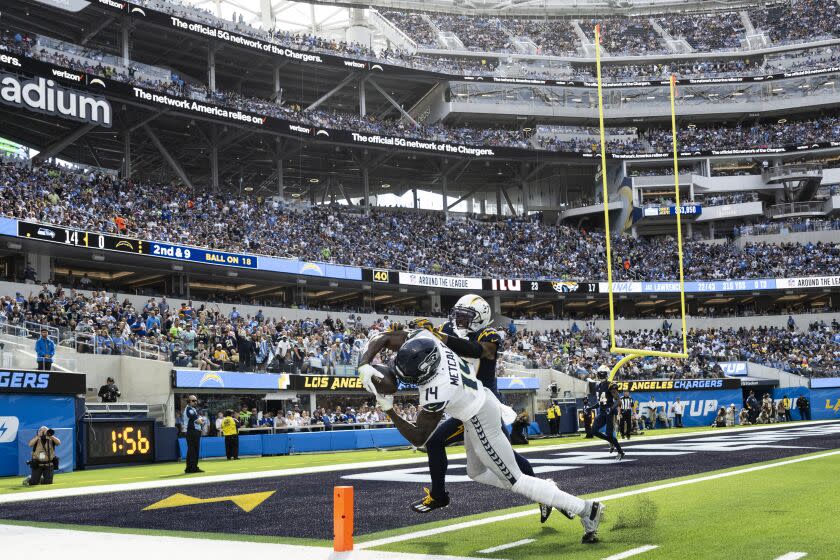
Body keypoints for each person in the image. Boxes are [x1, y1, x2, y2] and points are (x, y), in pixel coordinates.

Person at [362, 332, 605, 544]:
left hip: (480, 419)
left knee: (516, 481)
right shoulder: (426, 340)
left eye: (413, 378)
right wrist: (364, 363)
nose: (410, 382)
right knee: (475, 472)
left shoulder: (439, 387)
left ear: (426, 370)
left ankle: (586, 509)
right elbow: (383, 337)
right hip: (479, 404)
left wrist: (388, 409)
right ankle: (546, 490)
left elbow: (419, 438)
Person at [358, 295, 553, 522]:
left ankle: (545, 494)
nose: (459, 320)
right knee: (436, 442)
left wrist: (439, 335)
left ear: (481, 319)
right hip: (463, 404)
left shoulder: (488, 335)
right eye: (458, 315)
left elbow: (480, 351)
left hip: (483, 403)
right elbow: (427, 342)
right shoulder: (449, 328)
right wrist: (407, 331)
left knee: (507, 457)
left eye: (465, 316)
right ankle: (439, 495)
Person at [589, 366, 624, 460]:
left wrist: (611, 408)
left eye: (601, 373)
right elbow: (601, 402)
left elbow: (618, 401)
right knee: (594, 431)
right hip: (602, 412)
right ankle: (611, 442)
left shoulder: (610, 385)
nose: (599, 375)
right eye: (599, 373)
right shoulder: (599, 385)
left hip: (610, 412)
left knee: (609, 433)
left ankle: (620, 452)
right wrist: (590, 408)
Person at [183, 395, 204, 474]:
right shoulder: (190, 410)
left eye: (196, 400)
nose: (195, 402)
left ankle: (189, 468)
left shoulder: (192, 409)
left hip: (193, 431)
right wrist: (201, 420)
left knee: (192, 450)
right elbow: (199, 421)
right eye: (193, 400)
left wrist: (200, 420)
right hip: (192, 431)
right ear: (189, 401)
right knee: (193, 450)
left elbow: (199, 420)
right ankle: (193, 468)